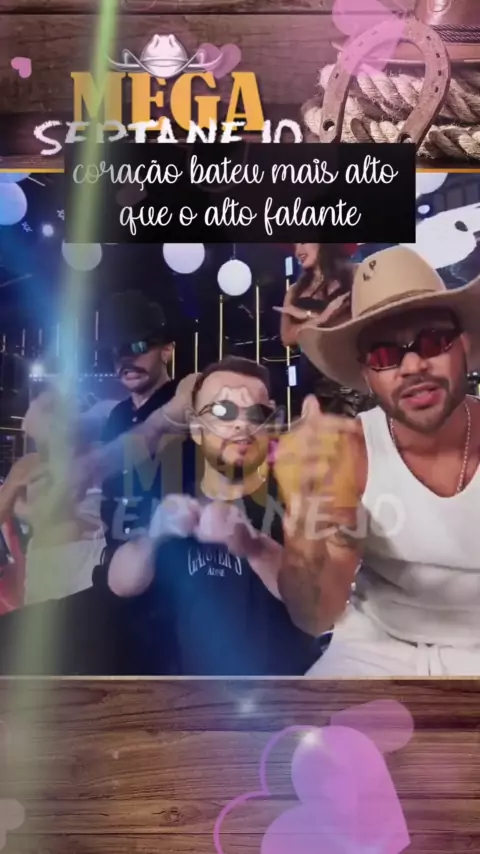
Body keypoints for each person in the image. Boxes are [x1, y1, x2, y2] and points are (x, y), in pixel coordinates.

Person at [275, 245, 480, 677]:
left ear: (463, 346)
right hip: (376, 649)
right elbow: (315, 617)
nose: (412, 365)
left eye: (433, 341)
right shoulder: (352, 452)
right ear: (367, 375)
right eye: (385, 355)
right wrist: (303, 529)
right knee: (301, 722)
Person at [107, 356, 321, 676]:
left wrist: (253, 545)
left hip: (281, 692)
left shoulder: (296, 496)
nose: (242, 425)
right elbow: (120, 584)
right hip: (183, 693)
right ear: (196, 427)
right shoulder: (168, 491)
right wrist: (154, 535)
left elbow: (315, 605)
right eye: (223, 411)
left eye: (256, 414)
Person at [96, 290, 197, 564]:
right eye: (116, 351)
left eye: (138, 347)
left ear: (167, 350)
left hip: (176, 562)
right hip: (119, 558)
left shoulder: (187, 401)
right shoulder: (117, 415)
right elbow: (108, 489)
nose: (126, 360)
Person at [274, 243, 371, 416]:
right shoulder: (294, 291)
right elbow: (287, 337)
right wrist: (320, 317)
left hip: (352, 369)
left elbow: (366, 319)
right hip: (315, 375)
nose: (298, 251)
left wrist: (307, 318)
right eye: (295, 245)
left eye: (303, 242)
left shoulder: (355, 273)